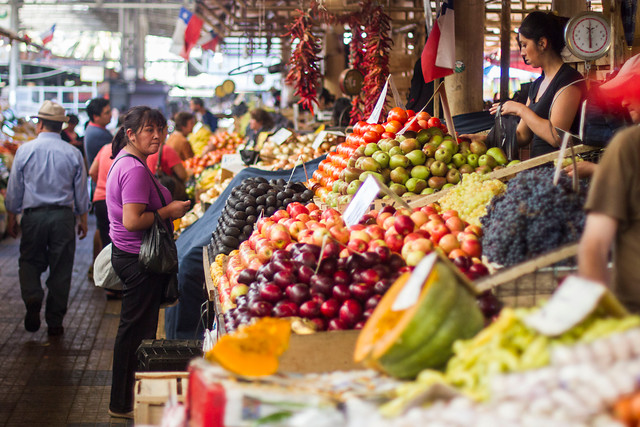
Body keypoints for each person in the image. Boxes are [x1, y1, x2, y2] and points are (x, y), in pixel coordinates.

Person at [106, 106, 191, 418]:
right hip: (138, 259)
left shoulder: (127, 161)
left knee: (135, 330)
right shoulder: (134, 169)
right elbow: (132, 220)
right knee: (134, 333)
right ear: (131, 134)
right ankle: (123, 403)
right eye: (148, 130)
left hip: (131, 254)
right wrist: (171, 212)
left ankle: (127, 398)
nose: (157, 136)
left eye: (161, 129)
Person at [5, 100, 90, 336]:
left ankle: (33, 294)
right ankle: (55, 321)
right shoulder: (72, 152)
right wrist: (82, 217)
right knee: (61, 268)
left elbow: (15, 189)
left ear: (40, 124)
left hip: (33, 217)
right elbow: (81, 190)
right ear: (61, 127)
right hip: (63, 218)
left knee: (30, 261)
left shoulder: (25, 150)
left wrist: (11, 216)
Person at [461, 11, 585, 158]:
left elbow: (556, 137)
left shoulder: (569, 80)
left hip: (561, 171)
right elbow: (522, 135)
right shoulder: (536, 85)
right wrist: (484, 140)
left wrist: (520, 109)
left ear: (542, 43)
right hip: (536, 167)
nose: (522, 52)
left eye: (525, 45)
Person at [578, 53, 640, 313]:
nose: (625, 100)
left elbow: (594, 246)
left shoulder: (628, 146)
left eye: (633, 90)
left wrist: (604, 321)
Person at [88, 143, 120, 299]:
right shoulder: (130, 151)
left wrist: (102, 185)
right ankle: (115, 285)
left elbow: (92, 171)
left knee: (106, 241)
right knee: (119, 243)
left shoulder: (105, 148)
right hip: (119, 201)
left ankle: (108, 283)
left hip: (100, 199)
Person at [84, 97, 113, 167]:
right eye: (107, 113)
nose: (110, 115)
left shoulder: (91, 128)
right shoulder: (100, 134)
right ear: (96, 116)